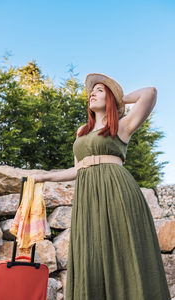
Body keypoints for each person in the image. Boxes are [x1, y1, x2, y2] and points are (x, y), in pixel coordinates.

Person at [32, 73, 171, 300]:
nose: (91, 95)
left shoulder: (123, 126)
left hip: (118, 191)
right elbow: (77, 170)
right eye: (90, 92)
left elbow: (150, 92)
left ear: (110, 97)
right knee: (90, 253)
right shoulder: (81, 132)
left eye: (98, 90)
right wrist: (44, 178)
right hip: (88, 197)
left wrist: (119, 98)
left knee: (124, 250)